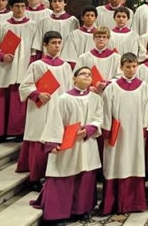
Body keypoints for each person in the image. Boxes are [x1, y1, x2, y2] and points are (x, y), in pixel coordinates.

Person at [34, 67, 103, 223]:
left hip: (86, 143)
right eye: (83, 74)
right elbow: (55, 121)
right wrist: (52, 143)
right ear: (74, 78)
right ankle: (57, 213)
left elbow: (99, 118)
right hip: (68, 145)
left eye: (89, 75)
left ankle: (81, 209)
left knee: (85, 175)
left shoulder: (96, 98)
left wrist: (88, 130)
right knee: (63, 174)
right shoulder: (64, 98)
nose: (87, 76)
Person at [17, 30, 73, 185]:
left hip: (59, 107)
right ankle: (34, 177)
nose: (57, 46)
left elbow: (69, 88)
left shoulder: (66, 66)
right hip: (41, 107)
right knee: (39, 139)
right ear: (45, 45)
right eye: (53, 43)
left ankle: (53, 175)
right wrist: (37, 94)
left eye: (59, 43)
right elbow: (24, 86)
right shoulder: (37, 65)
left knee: (55, 137)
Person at [101, 53, 148, 215]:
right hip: (117, 133)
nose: (131, 70)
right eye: (127, 67)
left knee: (134, 162)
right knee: (116, 163)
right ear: (121, 68)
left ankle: (134, 203)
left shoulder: (144, 86)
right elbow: (106, 110)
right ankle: (113, 203)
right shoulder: (112, 87)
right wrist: (108, 130)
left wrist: (144, 127)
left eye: (133, 66)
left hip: (136, 132)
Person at [0, 0, 42, 142]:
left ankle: (19, 131)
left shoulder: (33, 25)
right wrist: (2, 56)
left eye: (23, 6)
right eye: (17, 6)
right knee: (1, 99)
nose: (20, 9)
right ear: (11, 8)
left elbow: (36, 49)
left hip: (25, 66)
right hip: (5, 68)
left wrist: (32, 66)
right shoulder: (3, 25)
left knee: (20, 100)